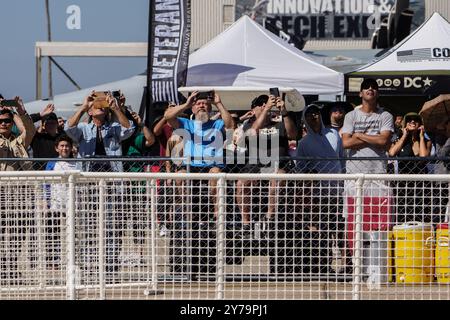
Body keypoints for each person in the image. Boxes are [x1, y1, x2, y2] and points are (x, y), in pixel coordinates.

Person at [64, 91, 135, 282]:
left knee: (111, 226)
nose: (98, 105)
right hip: (87, 185)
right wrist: (83, 107)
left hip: (111, 183)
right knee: (87, 226)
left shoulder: (113, 127)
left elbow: (129, 129)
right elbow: (67, 128)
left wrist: (116, 108)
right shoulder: (83, 128)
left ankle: (110, 268)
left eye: (101, 103)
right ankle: (89, 266)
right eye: (96, 103)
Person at [235, 94, 297, 238]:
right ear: (252, 110)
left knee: (278, 176)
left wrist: (284, 112)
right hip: (254, 166)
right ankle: (246, 223)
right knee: (241, 183)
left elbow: (293, 134)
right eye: (261, 104)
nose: (265, 105)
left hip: (277, 165)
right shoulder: (249, 125)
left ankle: (269, 218)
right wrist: (267, 108)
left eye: (266, 103)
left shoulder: (279, 123)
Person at [296, 104, 346, 275]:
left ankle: (347, 266)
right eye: (309, 114)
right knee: (322, 232)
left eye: (316, 113)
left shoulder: (334, 135)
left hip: (338, 191)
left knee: (340, 230)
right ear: (305, 119)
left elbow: (342, 160)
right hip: (318, 194)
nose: (313, 116)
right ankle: (324, 266)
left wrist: (343, 183)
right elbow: (301, 170)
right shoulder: (303, 143)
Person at [0, 97, 36, 284]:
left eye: (7, 120)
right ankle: (2, 268)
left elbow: (30, 130)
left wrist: (19, 112)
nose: (4, 123)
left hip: (19, 193)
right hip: (0, 193)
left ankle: (11, 266)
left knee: (19, 232)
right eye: (0, 121)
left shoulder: (19, 141)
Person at [341, 78, 394, 174]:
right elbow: (346, 143)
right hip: (354, 171)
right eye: (366, 87)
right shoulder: (350, 115)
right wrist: (375, 138)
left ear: (377, 94)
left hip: (378, 170)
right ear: (360, 93)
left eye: (374, 87)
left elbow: (383, 141)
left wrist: (358, 135)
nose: (370, 88)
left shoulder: (386, 115)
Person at [388, 112, 432, 223]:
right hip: (403, 182)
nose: (412, 121)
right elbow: (392, 153)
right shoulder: (399, 137)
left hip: (421, 183)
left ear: (420, 124)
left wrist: (421, 137)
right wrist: (404, 136)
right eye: (409, 120)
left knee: (421, 213)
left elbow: (423, 157)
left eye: (415, 120)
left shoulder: (426, 141)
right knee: (403, 213)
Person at [45, 135, 77, 269]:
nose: (65, 148)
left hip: (73, 203)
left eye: (67, 146)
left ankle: (74, 259)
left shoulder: (76, 163)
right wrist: (45, 200)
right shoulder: (52, 163)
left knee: (74, 232)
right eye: (62, 146)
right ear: (57, 148)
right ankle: (53, 260)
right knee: (53, 232)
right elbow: (46, 182)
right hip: (55, 202)